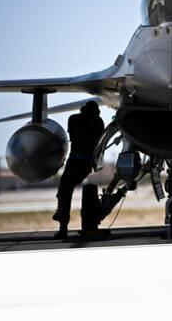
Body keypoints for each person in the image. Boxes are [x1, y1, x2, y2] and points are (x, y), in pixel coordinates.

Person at [52, 100, 104, 239]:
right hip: (86, 163)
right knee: (65, 190)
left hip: (75, 161)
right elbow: (99, 143)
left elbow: (72, 137)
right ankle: (62, 217)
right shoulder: (98, 122)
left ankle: (63, 225)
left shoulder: (74, 119)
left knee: (64, 191)